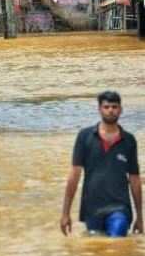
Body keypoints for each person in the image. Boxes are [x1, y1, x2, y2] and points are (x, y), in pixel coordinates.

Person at [60, 91, 142, 238]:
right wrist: (65, 213)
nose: (111, 110)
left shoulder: (129, 141)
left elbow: (135, 179)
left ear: (120, 110)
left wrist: (140, 217)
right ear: (99, 109)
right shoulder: (85, 137)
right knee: (97, 250)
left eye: (114, 106)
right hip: (92, 208)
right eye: (106, 107)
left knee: (118, 235)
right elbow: (74, 175)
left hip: (120, 207)